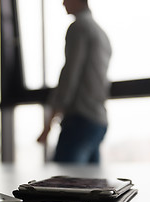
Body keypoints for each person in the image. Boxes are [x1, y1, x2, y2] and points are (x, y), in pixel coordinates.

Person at [37, 0, 112, 164]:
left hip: (80, 119)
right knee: (92, 185)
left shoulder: (78, 28)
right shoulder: (101, 33)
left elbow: (69, 76)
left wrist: (48, 124)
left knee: (63, 184)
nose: (63, 3)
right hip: (98, 120)